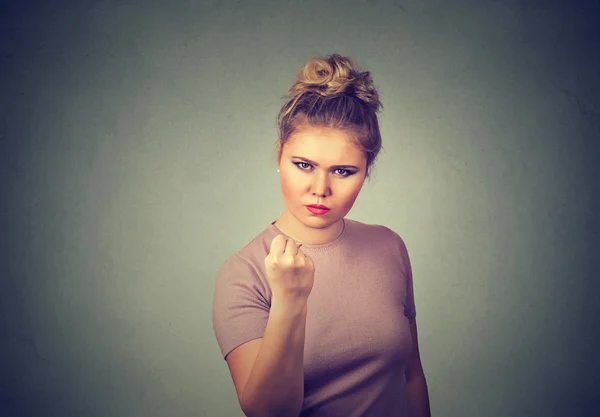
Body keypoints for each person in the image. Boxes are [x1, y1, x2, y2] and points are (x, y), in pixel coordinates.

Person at [212, 53, 431, 417]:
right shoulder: (243, 273)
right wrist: (290, 299)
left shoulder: (388, 246)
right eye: (304, 165)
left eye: (343, 171)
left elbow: (412, 377)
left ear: (366, 171)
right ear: (280, 156)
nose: (320, 188)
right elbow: (269, 413)